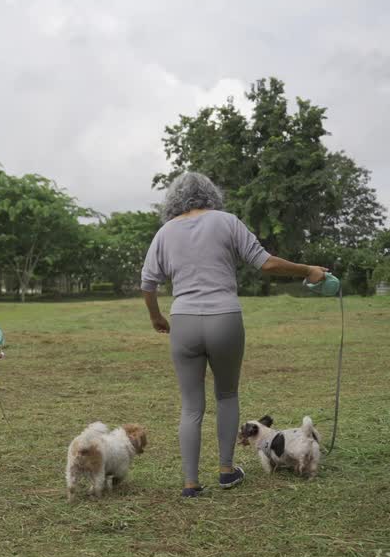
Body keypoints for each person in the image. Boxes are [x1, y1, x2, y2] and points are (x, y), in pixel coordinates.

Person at [140, 172, 327, 498]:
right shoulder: (227, 221)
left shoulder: (165, 232)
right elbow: (265, 264)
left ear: (174, 199)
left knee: (190, 406)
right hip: (224, 318)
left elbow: (148, 283)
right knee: (226, 395)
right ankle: (226, 471)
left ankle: (190, 484)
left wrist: (156, 316)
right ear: (211, 194)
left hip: (183, 319)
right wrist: (307, 269)